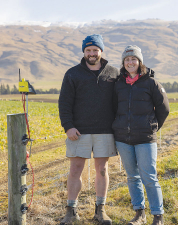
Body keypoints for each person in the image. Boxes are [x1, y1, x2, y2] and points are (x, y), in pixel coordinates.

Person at [58, 34, 119, 225]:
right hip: (79, 132)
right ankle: (71, 211)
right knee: (75, 169)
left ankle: (100, 210)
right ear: (84, 51)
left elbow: (120, 102)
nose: (92, 53)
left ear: (101, 50)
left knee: (102, 170)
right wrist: (68, 126)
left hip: (105, 131)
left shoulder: (114, 73)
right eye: (88, 50)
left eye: (95, 50)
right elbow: (64, 103)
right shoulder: (72, 74)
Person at [112, 45, 170, 225]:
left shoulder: (151, 83)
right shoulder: (118, 84)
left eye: (133, 59)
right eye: (127, 59)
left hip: (145, 139)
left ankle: (158, 216)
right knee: (132, 177)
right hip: (124, 139)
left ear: (139, 62)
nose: (130, 62)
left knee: (149, 177)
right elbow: (112, 108)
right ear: (123, 62)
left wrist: (152, 127)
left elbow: (164, 109)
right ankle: (139, 214)